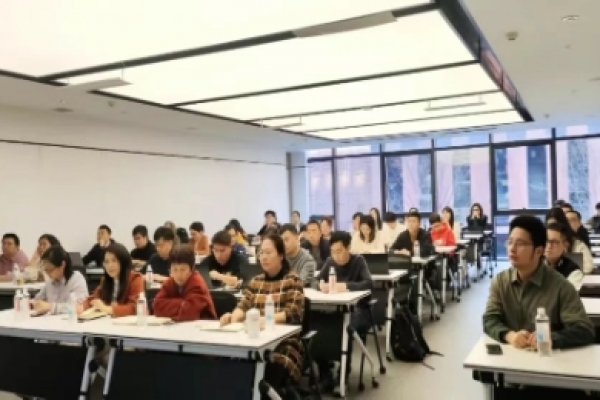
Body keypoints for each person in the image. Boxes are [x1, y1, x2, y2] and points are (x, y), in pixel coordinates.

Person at [483, 215, 594, 350]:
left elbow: (584, 330)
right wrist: (510, 336)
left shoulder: (560, 286)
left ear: (539, 251)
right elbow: (489, 319)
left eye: (520, 244)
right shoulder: (500, 281)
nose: (512, 248)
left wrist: (551, 338)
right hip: (511, 356)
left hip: (547, 359)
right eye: (510, 242)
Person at [219, 234, 305, 394]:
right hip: (253, 341)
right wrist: (233, 317)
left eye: (268, 252)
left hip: (283, 344)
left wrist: (265, 320)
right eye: (261, 253)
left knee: (267, 372)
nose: (263, 257)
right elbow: (243, 305)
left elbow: (293, 313)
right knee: (230, 368)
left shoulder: (293, 280)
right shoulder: (256, 281)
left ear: (281, 255)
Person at [316, 231, 373, 393]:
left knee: (344, 326)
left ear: (348, 248)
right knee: (317, 324)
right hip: (335, 310)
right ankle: (324, 372)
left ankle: (343, 373)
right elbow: (315, 280)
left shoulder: (359, 261)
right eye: (333, 252)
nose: (336, 255)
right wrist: (320, 285)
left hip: (359, 310)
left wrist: (346, 286)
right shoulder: (330, 262)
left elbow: (369, 284)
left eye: (339, 251)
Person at [153, 245, 217, 322]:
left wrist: (171, 306)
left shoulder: (197, 284)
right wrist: (183, 303)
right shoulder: (170, 282)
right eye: (175, 270)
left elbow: (188, 313)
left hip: (203, 325)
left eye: (183, 270)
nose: (178, 274)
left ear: (191, 269)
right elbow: (156, 306)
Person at [82, 243, 144, 317]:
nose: (110, 265)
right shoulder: (105, 280)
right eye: (106, 262)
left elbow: (134, 308)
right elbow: (93, 298)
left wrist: (107, 309)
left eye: (114, 261)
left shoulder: (135, 279)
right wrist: (81, 307)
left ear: (123, 262)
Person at [33, 245, 89, 314]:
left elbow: (78, 307)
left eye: (50, 270)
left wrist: (50, 307)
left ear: (62, 265)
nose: (47, 273)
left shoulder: (76, 279)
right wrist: (35, 303)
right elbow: (37, 299)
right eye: (45, 270)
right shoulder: (50, 282)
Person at [546, 208, 593, 274]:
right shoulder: (542, 244)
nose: (553, 230)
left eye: (556, 226)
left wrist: (570, 272)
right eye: (550, 227)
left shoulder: (577, 244)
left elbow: (588, 267)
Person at [545, 223, 584, 288]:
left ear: (565, 245)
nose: (548, 246)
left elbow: (568, 294)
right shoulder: (534, 265)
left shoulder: (573, 272)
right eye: (546, 240)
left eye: (554, 242)